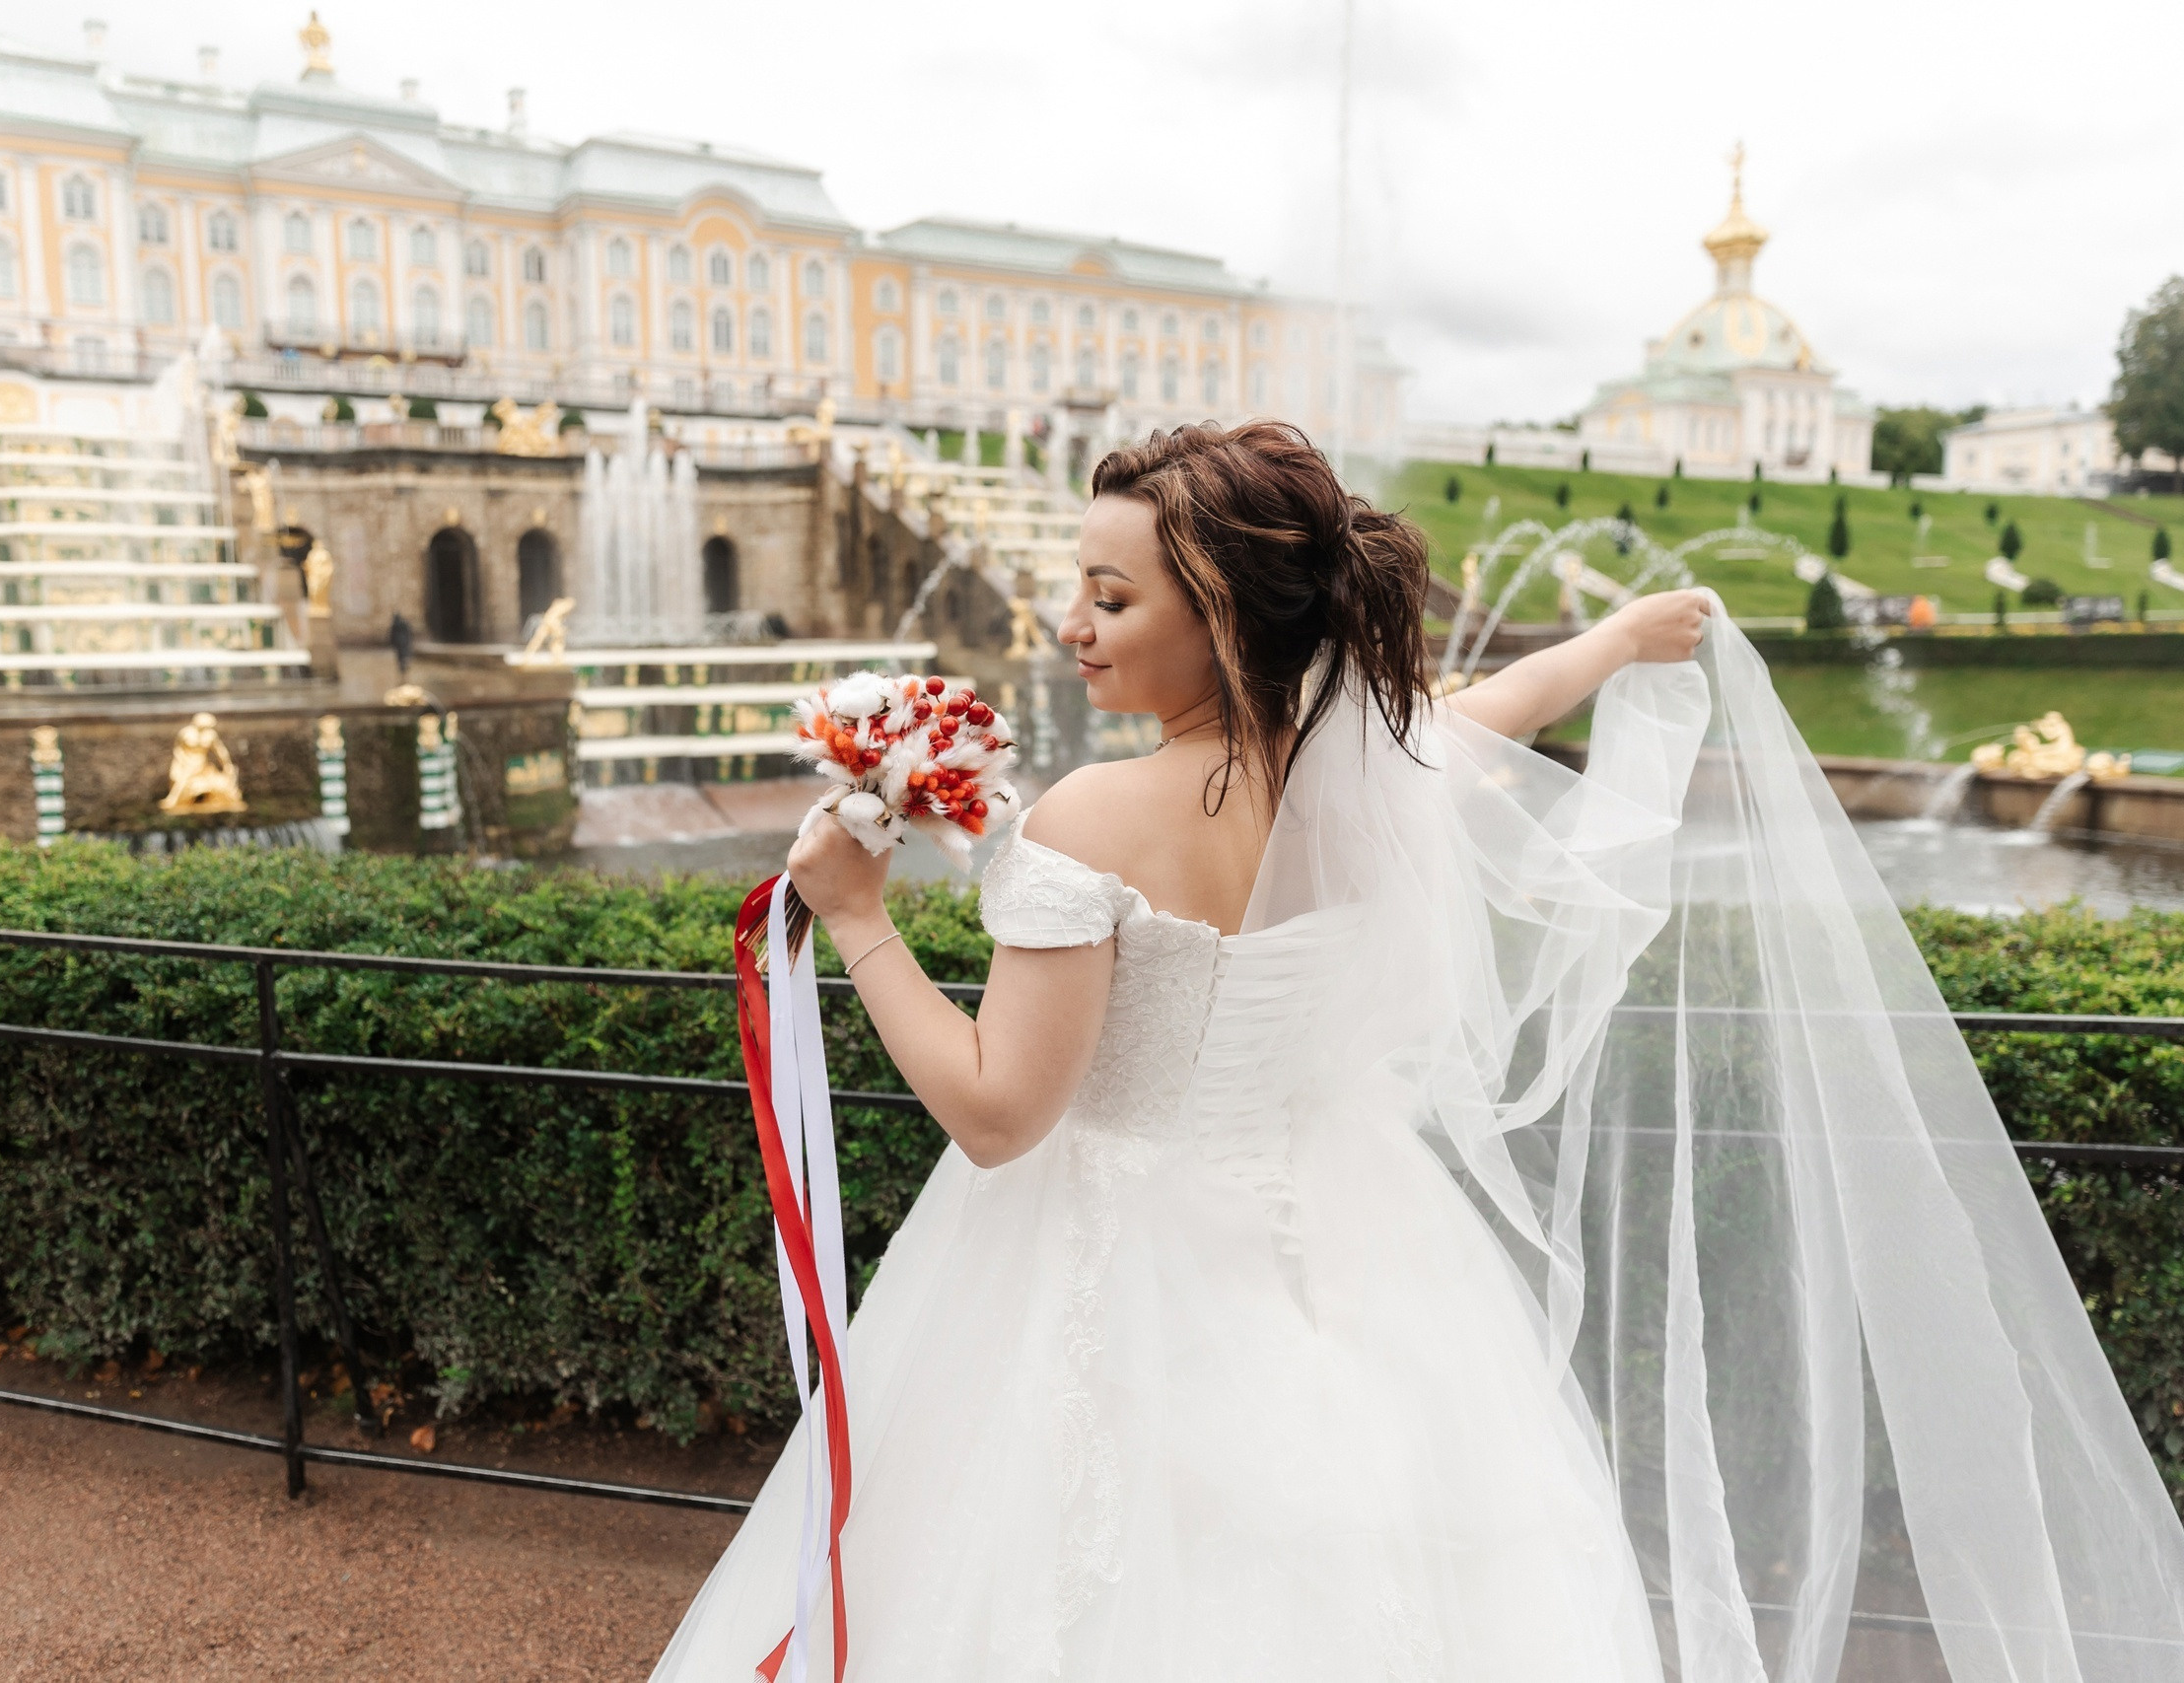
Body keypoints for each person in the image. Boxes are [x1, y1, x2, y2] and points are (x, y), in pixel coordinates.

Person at [653, 422, 2184, 1682]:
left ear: (1225, 613)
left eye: (1111, 600)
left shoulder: (1093, 820)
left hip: (1104, 1263)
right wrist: (1614, 641)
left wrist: (857, 920)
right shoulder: (1373, 779)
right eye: (1080, 588)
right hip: (1361, 1257)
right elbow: (1488, 713)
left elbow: (998, 1116)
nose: (1072, 626)